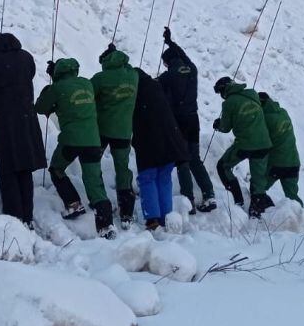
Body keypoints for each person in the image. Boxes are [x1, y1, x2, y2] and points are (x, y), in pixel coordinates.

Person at [36, 58, 115, 238]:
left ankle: (73, 203)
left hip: (71, 140)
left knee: (56, 168)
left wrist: (52, 88)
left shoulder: (56, 88)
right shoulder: (87, 84)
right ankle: (106, 225)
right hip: (93, 140)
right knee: (94, 180)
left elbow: (40, 107)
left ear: (57, 73)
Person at [0, 32, 46, 226]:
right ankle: (28, 217)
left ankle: (14, 219)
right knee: (24, 168)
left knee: (7, 170)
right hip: (26, 119)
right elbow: (30, 74)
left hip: (3, 121)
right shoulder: (26, 57)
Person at [159, 27, 216, 213]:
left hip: (178, 122)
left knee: (182, 160)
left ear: (167, 62)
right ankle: (209, 195)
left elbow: (159, 97)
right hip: (193, 119)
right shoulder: (192, 69)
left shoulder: (166, 77)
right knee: (195, 159)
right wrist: (170, 42)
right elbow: (182, 55)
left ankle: (188, 201)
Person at [131, 69, 189, 231]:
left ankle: (152, 219)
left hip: (149, 140)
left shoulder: (135, 92)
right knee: (164, 178)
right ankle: (166, 217)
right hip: (171, 139)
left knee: (147, 178)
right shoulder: (156, 87)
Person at [211, 76, 273, 218]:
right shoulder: (252, 94)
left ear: (224, 90)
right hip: (264, 143)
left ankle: (238, 201)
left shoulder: (229, 103)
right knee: (258, 179)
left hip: (245, 144)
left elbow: (226, 127)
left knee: (223, 166)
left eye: (220, 93)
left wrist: (218, 124)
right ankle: (256, 209)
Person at [91, 44, 138, 227]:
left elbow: (88, 94)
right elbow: (126, 65)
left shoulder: (101, 78)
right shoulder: (133, 75)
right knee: (123, 169)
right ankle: (126, 212)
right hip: (124, 131)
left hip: (102, 130)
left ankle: (100, 200)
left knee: (93, 165)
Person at [258, 91, 304, 207]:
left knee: (258, 188)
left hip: (277, 164)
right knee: (293, 197)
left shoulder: (265, 119)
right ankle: (301, 218)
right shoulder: (283, 113)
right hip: (293, 163)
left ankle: (264, 212)